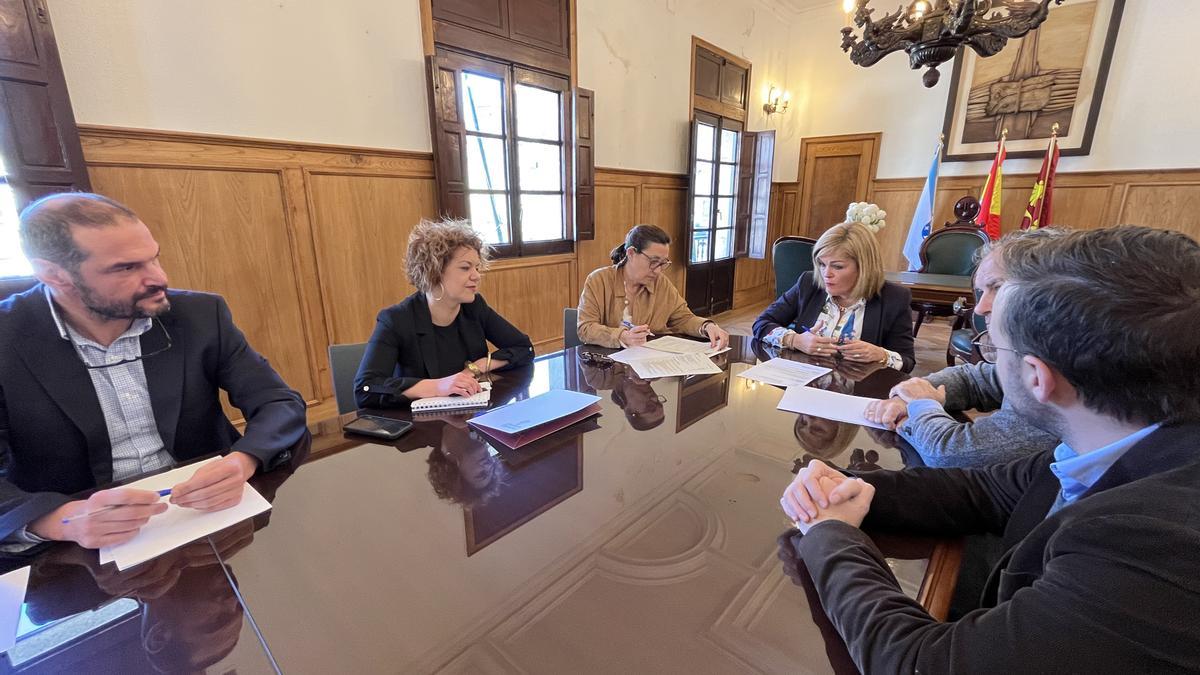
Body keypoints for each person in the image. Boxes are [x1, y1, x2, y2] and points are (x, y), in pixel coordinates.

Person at [779, 225, 1200, 673]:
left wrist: (830, 536)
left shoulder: (1150, 546)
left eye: (993, 349)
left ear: (1039, 378)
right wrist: (852, 486)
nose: (989, 365)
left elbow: (919, 663)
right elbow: (987, 490)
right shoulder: (1119, 441)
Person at [0, 193, 307, 549]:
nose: (158, 278)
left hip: (207, 515)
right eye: (126, 267)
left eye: (154, 258)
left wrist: (243, 461)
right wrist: (59, 521)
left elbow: (277, 401)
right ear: (55, 275)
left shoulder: (200, 314)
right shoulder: (8, 338)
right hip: (79, 545)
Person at [863, 231, 1061, 467]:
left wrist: (922, 408)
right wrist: (909, 396)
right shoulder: (1031, 350)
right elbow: (975, 379)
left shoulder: (1058, 366)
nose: (979, 308)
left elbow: (950, 452)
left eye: (996, 287)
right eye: (981, 292)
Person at [354, 219, 533, 407]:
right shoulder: (397, 319)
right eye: (465, 267)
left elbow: (524, 348)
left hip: (469, 417)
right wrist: (439, 386)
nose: (477, 276)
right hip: (422, 429)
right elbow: (365, 389)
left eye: (477, 267)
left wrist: (477, 367)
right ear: (435, 271)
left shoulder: (474, 307)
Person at [752, 222, 915, 372]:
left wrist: (881, 355)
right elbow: (761, 323)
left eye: (837, 266)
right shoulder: (809, 283)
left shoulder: (894, 298)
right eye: (822, 264)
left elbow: (907, 362)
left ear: (864, 267)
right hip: (804, 385)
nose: (826, 274)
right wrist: (795, 340)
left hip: (859, 392)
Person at [577, 224, 730, 350]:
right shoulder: (598, 281)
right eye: (653, 261)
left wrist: (706, 326)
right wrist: (622, 336)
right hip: (608, 370)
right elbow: (585, 328)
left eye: (663, 263)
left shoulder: (661, 283)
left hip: (650, 364)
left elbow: (683, 318)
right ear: (631, 253)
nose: (658, 270)